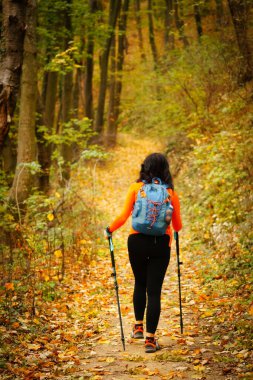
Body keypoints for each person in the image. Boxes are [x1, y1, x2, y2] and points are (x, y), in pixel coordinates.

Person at [105, 153, 182, 353]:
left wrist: (110, 229)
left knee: (140, 282)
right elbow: (178, 226)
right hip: (160, 244)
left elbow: (123, 216)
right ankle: (150, 340)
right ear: (165, 169)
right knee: (154, 291)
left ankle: (138, 327)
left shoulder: (135, 188)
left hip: (136, 241)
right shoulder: (170, 193)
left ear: (145, 168)